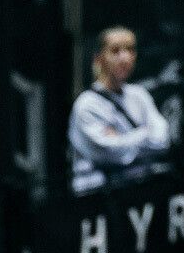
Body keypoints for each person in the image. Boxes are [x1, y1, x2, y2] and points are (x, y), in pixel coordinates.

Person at [68, 26, 170, 195]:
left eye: (130, 49)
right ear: (99, 59)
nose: (124, 57)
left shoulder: (139, 95)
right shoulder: (86, 105)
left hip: (138, 194)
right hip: (97, 202)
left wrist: (124, 138)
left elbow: (162, 140)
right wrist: (145, 134)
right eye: (115, 51)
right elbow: (108, 152)